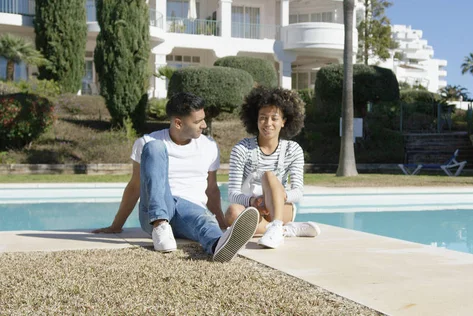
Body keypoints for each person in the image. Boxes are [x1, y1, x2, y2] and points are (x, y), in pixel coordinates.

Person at [92, 92, 259, 263]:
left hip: (190, 211)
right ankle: (160, 224)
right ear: (178, 123)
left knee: (204, 220)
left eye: (203, 119)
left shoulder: (209, 146)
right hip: (153, 212)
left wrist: (222, 222)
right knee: (154, 148)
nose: (203, 125)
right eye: (197, 121)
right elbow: (135, 186)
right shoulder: (147, 141)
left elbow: (212, 189)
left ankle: (219, 245)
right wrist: (116, 225)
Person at [225, 86, 320, 249]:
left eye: (274, 118)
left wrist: (278, 196)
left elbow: (298, 192)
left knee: (268, 176)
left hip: (282, 209)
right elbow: (233, 194)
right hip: (252, 211)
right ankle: (284, 230)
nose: (268, 123)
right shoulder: (241, 149)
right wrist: (254, 201)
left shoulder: (293, 149)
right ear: (255, 120)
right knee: (232, 213)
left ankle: (276, 225)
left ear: (284, 121)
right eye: (263, 117)